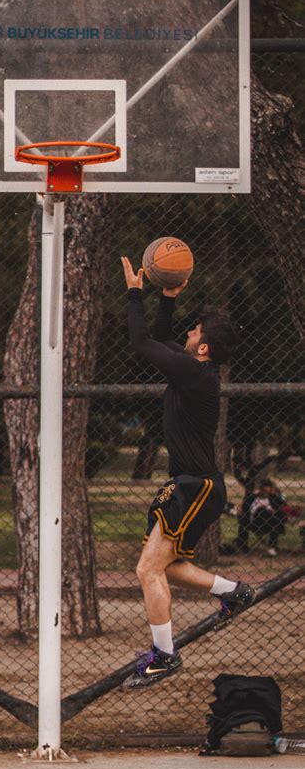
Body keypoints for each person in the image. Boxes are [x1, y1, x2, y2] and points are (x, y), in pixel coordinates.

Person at [120, 256, 255, 689]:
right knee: (169, 567)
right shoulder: (195, 370)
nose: (187, 335)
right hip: (192, 485)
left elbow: (141, 343)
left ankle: (164, 656)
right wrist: (167, 298)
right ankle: (233, 592)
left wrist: (135, 292)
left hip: (196, 485)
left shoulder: (196, 374)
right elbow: (160, 340)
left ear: (203, 349)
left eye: (193, 333)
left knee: (147, 570)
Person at [248, 478, 287, 557]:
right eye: (263, 487)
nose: (264, 489)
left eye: (267, 486)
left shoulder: (274, 497)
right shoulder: (255, 497)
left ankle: (272, 547)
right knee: (262, 510)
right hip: (257, 522)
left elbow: (281, 506)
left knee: (277, 517)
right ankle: (272, 547)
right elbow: (246, 507)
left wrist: (272, 495)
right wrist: (254, 495)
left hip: (272, 522)